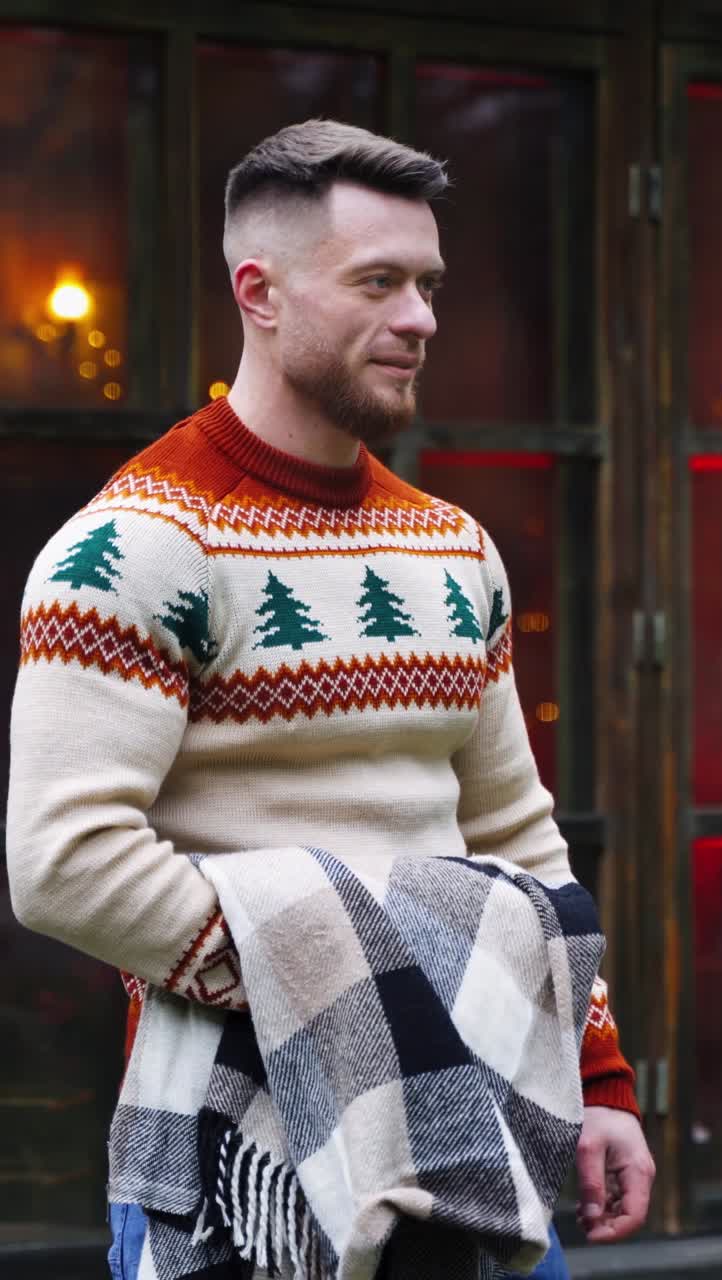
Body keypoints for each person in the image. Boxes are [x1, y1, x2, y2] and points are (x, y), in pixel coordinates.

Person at [7, 119, 655, 1278]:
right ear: (259, 291)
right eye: (379, 282)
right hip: (246, 1160)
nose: (421, 318)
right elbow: (64, 862)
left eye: (429, 284)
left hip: (477, 1137)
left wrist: (598, 1076)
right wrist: (338, 987)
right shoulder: (136, 547)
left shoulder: (452, 546)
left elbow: (515, 835)